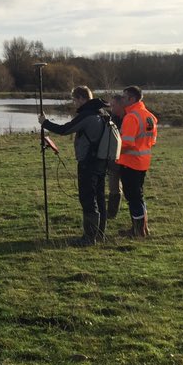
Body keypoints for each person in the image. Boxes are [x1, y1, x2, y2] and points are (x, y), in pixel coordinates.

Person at [39, 86, 111, 246]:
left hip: (88, 164)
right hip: (102, 161)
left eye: (74, 99)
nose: (74, 103)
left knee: (88, 198)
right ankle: (100, 234)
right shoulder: (103, 113)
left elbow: (65, 129)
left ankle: (89, 238)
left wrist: (45, 123)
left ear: (81, 98)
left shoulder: (87, 115)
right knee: (99, 198)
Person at [116, 85, 158, 237]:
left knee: (133, 197)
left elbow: (126, 143)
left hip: (130, 162)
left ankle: (138, 231)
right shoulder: (150, 116)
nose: (121, 99)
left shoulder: (131, 117)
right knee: (138, 195)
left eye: (124, 97)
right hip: (143, 162)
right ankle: (142, 228)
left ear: (132, 99)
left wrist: (112, 153)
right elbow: (152, 141)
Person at [106, 93, 125, 220]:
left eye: (113, 105)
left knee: (129, 189)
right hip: (113, 158)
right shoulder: (111, 118)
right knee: (114, 186)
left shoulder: (128, 118)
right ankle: (111, 213)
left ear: (120, 104)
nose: (111, 108)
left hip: (127, 158)